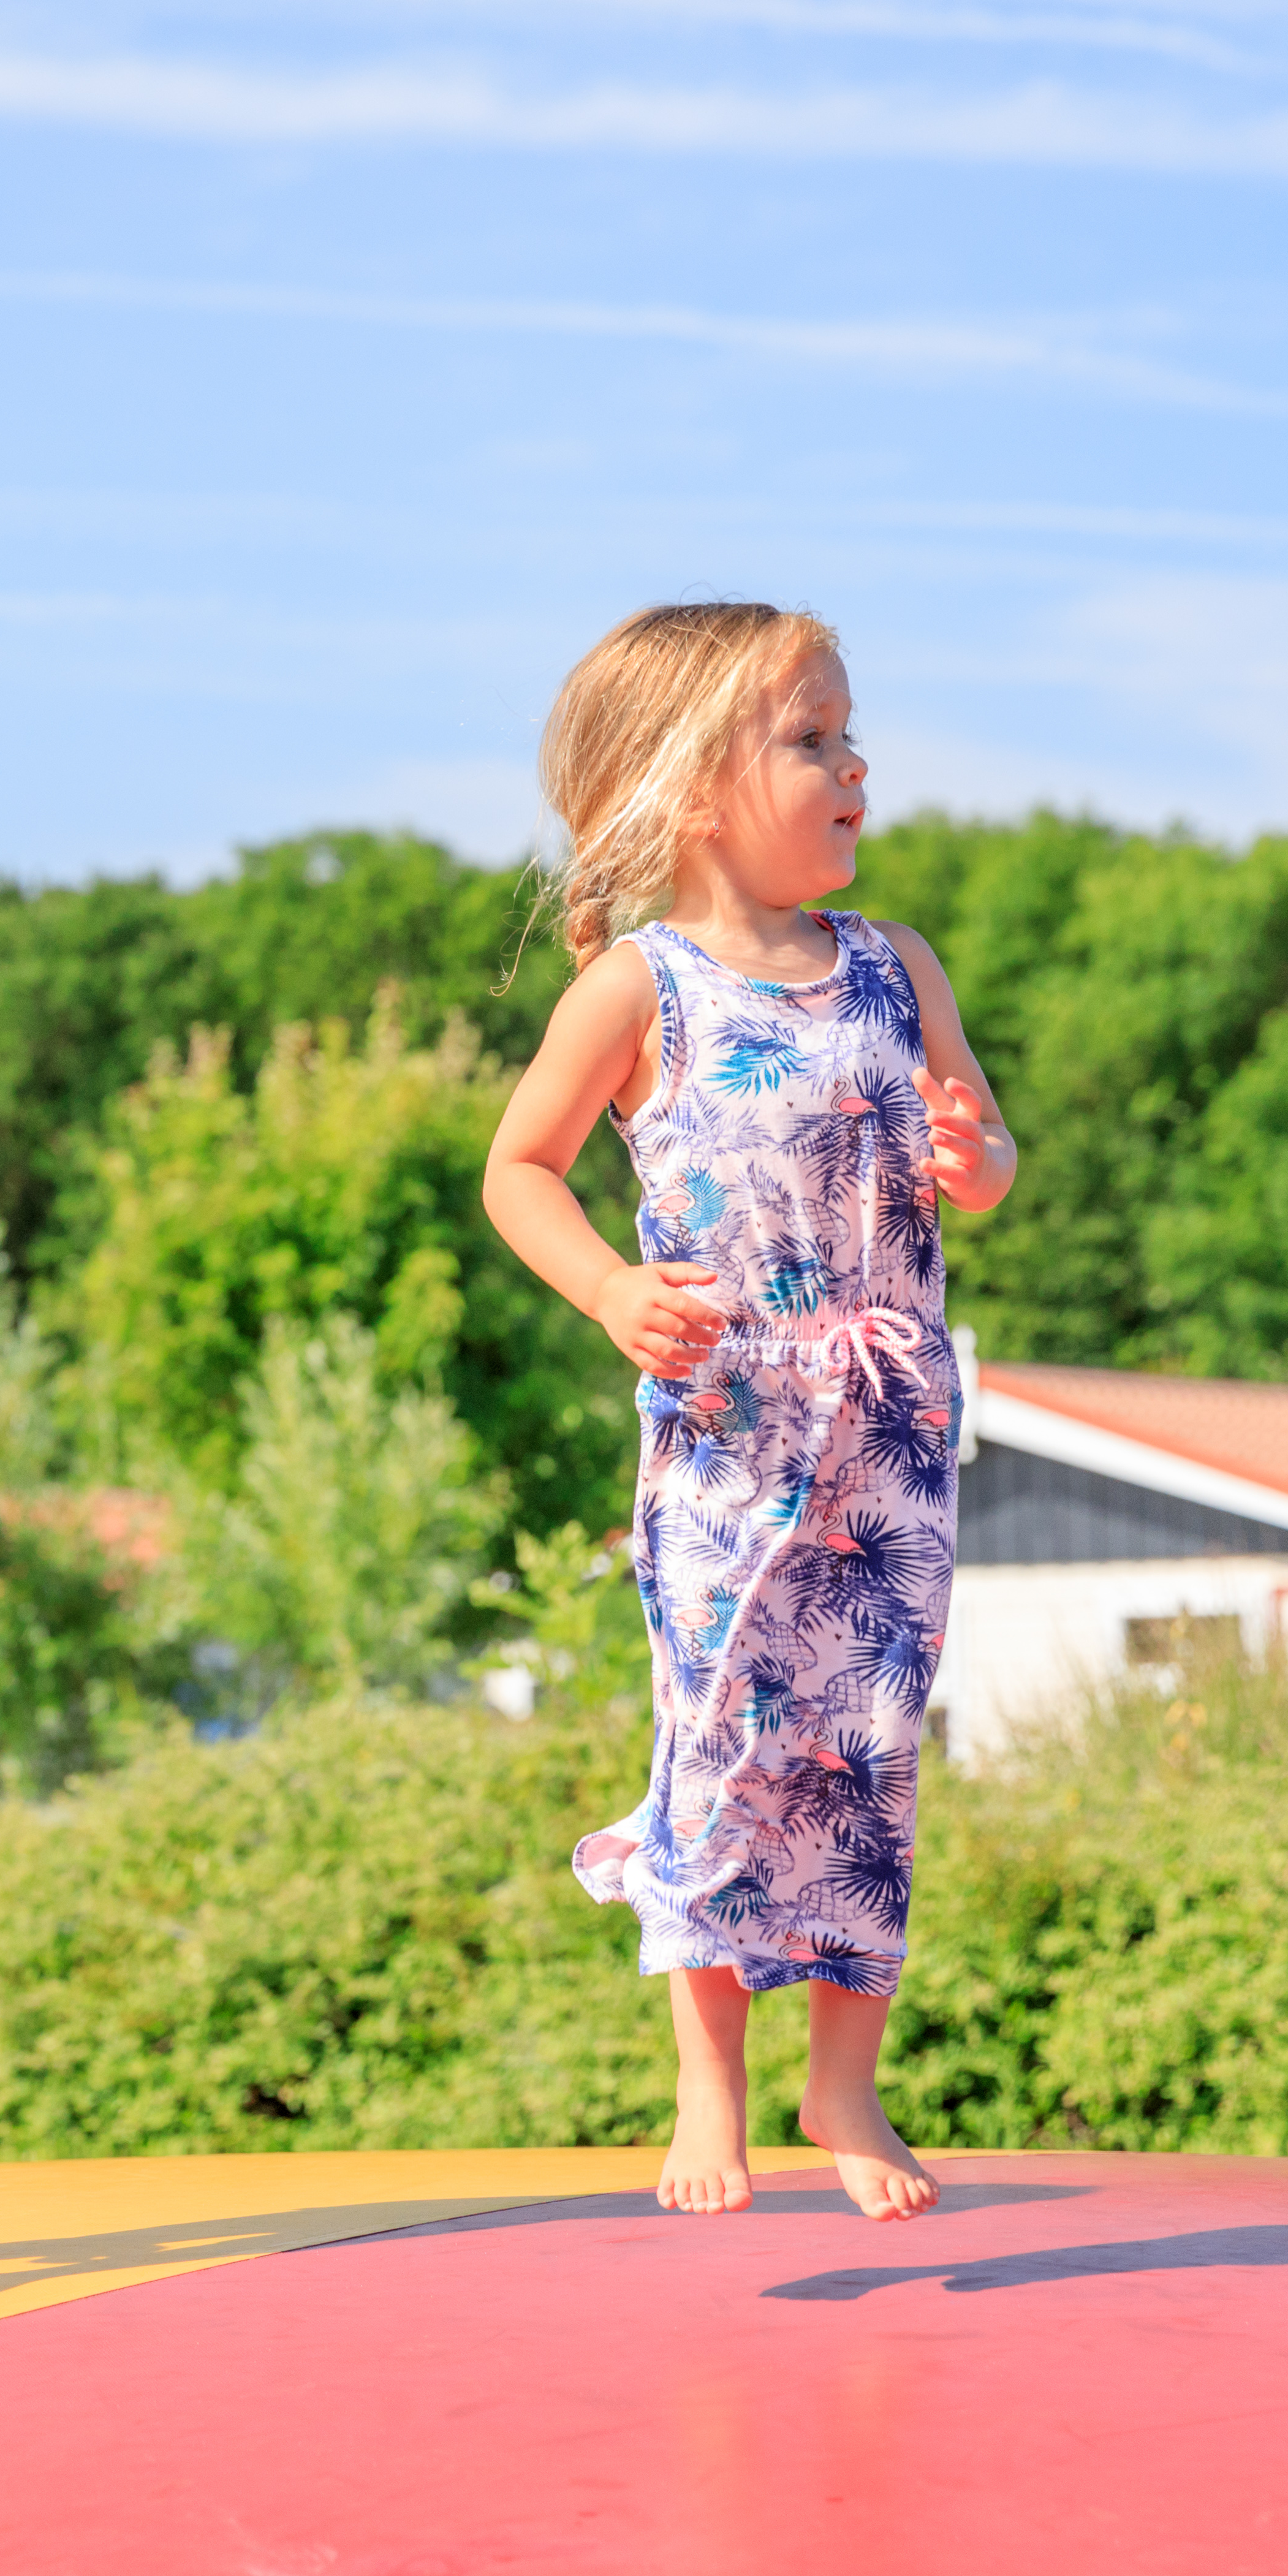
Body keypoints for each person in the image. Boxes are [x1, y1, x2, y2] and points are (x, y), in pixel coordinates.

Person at [480, 602, 1016, 2224]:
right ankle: (706, 2080)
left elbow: (985, 1149)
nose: (856, 766)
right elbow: (519, 1172)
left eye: (851, 736)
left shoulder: (893, 967)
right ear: (698, 785)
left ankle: (840, 2082)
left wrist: (971, 1161)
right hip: (729, 1433)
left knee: (868, 1753)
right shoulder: (641, 990)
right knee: (722, 1744)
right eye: (813, 739)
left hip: (889, 1427)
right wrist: (606, 1293)